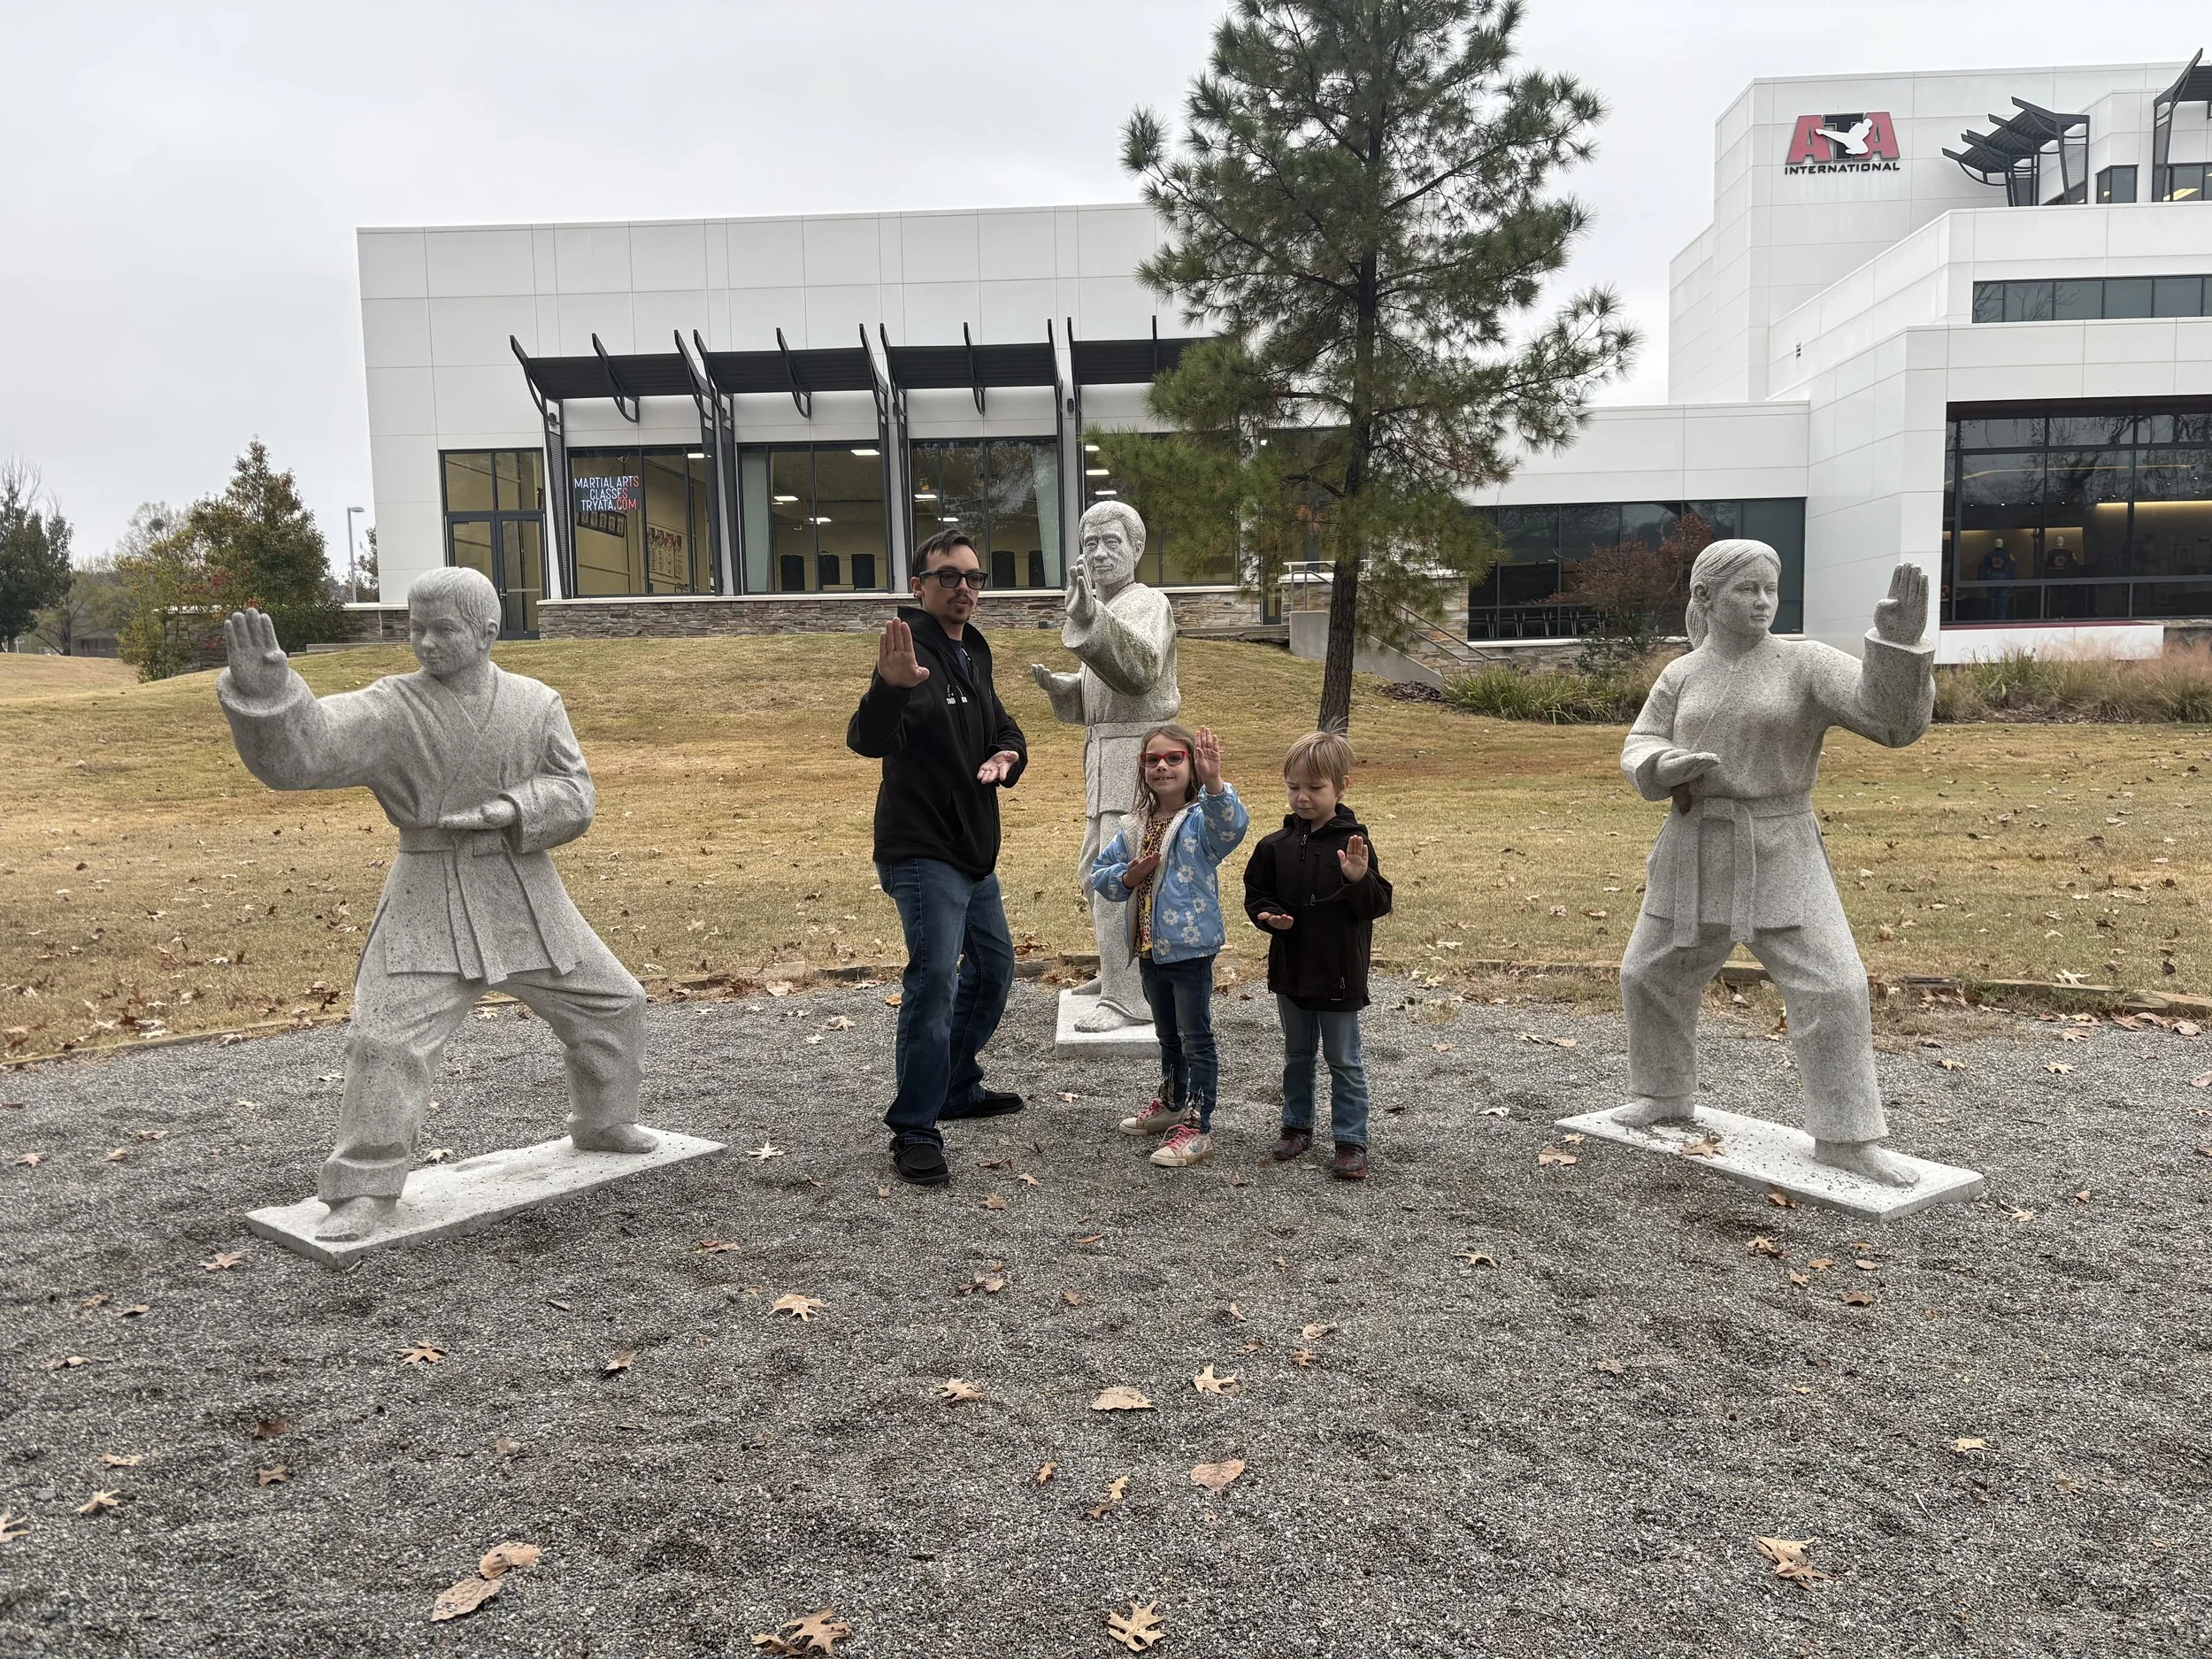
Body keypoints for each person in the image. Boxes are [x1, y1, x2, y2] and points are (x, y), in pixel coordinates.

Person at [215, 568, 652, 1244]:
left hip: (520, 886)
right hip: (428, 890)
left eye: (442, 629)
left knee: (613, 1001)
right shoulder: (394, 708)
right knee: (386, 1039)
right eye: (415, 628)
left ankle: (603, 1119)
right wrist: (268, 693)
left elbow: (576, 793)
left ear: (486, 632)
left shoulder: (536, 703)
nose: (424, 643)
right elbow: (311, 751)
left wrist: (513, 808)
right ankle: (364, 1186)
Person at [1615, 540, 1935, 1187]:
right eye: (1746, 589)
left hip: (1781, 844)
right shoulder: (1682, 674)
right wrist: (1660, 764)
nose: (1762, 600)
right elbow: (1641, 739)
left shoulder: (1805, 664)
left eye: (1770, 588)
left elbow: (1890, 722)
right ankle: (1664, 1094)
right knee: (1650, 973)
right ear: (1706, 598)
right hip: (1694, 843)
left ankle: (1849, 1138)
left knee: (1835, 986)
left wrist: (1897, 648)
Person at [847, 529, 1029, 1187]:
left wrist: (1009, 755)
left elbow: (1004, 725)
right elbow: (869, 738)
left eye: (974, 577)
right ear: (920, 586)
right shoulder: (912, 652)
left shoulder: (973, 652)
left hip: (973, 849)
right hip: (923, 850)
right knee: (935, 981)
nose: (963, 588)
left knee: (996, 966)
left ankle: (955, 1082)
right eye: (948, 576)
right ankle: (916, 1128)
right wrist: (890, 689)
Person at [1030, 502, 1181, 1033]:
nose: (1097, 552)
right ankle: (1117, 971)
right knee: (1100, 871)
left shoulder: (1147, 604)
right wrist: (1065, 689)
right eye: (1089, 543)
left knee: (1118, 874)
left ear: (1136, 548)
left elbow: (1138, 673)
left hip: (1137, 757)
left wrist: (1090, 619)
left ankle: (1127, 996)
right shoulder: (1108, 607)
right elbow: (1103, 687)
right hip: (1106, 755)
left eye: (1110, 541)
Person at [1087, 724, 1249, 1167]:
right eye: (1152, 759)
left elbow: (1232, 826)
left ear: (1190, 764)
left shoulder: (1201, 819)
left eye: (1174, 758)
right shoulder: (1133, 824)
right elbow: (1101, 873)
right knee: (1166, 1034)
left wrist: (1215, 782)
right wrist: (1128, 876)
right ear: (1141, 768)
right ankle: (1173, 1101)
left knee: (1195, 1037)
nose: (1162, 766)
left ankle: (1198, 1125)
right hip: (1148, 949)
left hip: (1191, 949)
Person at [1241, 731, 1393, 1181]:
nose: (1302, 797)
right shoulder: (1274, 846)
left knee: (1344, 1059)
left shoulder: (1354, 844)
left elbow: (1377, 904)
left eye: (1314, 788)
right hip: (1291, 971)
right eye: (1294, 787)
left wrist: (1357, 878)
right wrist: (1268, 916)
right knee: (1297, 1054)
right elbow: (1256, 896)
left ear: (1341, 787)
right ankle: (1296, 1125)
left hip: (1339, 974)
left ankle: (1350, 1139)